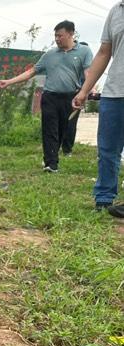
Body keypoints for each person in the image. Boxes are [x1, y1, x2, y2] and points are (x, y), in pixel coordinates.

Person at [0, 21, 92, 173]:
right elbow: (31, 72)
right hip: (50, 97)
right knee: (49, 129)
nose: (57, 39)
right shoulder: (50, 55)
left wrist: (85, 92)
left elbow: (88, 73)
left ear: (71, 34)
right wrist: (9, 82)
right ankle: (50, 164)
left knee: (63, 130)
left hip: (70, 97)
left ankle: (55, 156)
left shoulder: (84, 51)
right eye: (55, 36)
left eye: (60, 35)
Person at [73, 2, 124, 218]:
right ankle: (103, 198)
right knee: (107, 149)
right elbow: (104, 52)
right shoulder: (116, 10)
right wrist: (85, 90)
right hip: (115, 91)